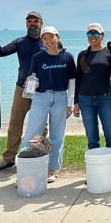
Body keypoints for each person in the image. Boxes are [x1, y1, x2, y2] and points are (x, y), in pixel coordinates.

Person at [0, 11, 45, 170]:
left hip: (41, 90)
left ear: (41, 23)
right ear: (26, 24)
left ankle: (38, 154)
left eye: (35, 21)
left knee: (42, 125)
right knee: (15, 123)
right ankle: (9, 158)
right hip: (22, 88)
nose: (32, 24)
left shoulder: (47, 41)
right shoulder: (20, 42)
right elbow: (0, 52)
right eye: (29, 21)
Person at [20, 26, 76, 183]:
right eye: (44, 38)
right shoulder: (38, 57)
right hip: (41, 98)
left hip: (60, 98)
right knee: (32, 133)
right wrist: (32, 84)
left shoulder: (67, 57)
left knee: (57, 135)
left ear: (57, 37)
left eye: (51, 37)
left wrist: (70, 103)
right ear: (42, 40)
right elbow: (32, 77)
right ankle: (26, 167)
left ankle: (52, 169)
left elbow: (72, 82)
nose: (48, 41)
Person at [73, 23, 111, 185]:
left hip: (105, 99)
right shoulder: (82, 55)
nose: (92, 36)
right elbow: (78, 80)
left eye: (96, 33)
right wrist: (76, 102)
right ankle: (95, 172)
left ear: (102, 35)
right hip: (85, 100)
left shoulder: (108, 52)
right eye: (89, 34)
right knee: (92, 138)